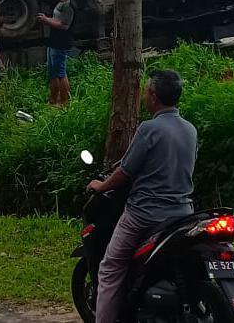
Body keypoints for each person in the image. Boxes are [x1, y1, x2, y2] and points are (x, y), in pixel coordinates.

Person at [86, 70, 197, 323]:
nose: (145, 95)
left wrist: (101, 186)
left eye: (147, 91)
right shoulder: (190, 130)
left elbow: (125, 172)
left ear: (154, 97)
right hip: (183, 214)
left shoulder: (149, 129)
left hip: (145, 214)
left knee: (111, 266)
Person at [36, 0, 75, 106]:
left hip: (61, 43)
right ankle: (53, 100)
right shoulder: (61, 3)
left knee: (61, 73)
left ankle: (64, 102)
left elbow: (64, 25)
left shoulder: (69, 4)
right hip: (53, 41)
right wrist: (47, 19)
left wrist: (47, 20)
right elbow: (57, 20)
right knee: (52, 73)